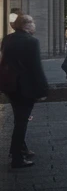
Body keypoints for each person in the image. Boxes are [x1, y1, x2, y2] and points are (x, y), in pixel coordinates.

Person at [1, 14, 48, 168]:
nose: (35, 25)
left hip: (10, 85)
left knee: (19, 118)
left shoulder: (7, 39)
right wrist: (42, 90)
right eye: (33, 22)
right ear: (26, 25)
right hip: (25, 87)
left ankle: (22, 148)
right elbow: (36, 68)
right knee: (21, 122)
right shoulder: (31, 42)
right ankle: (16, 157)